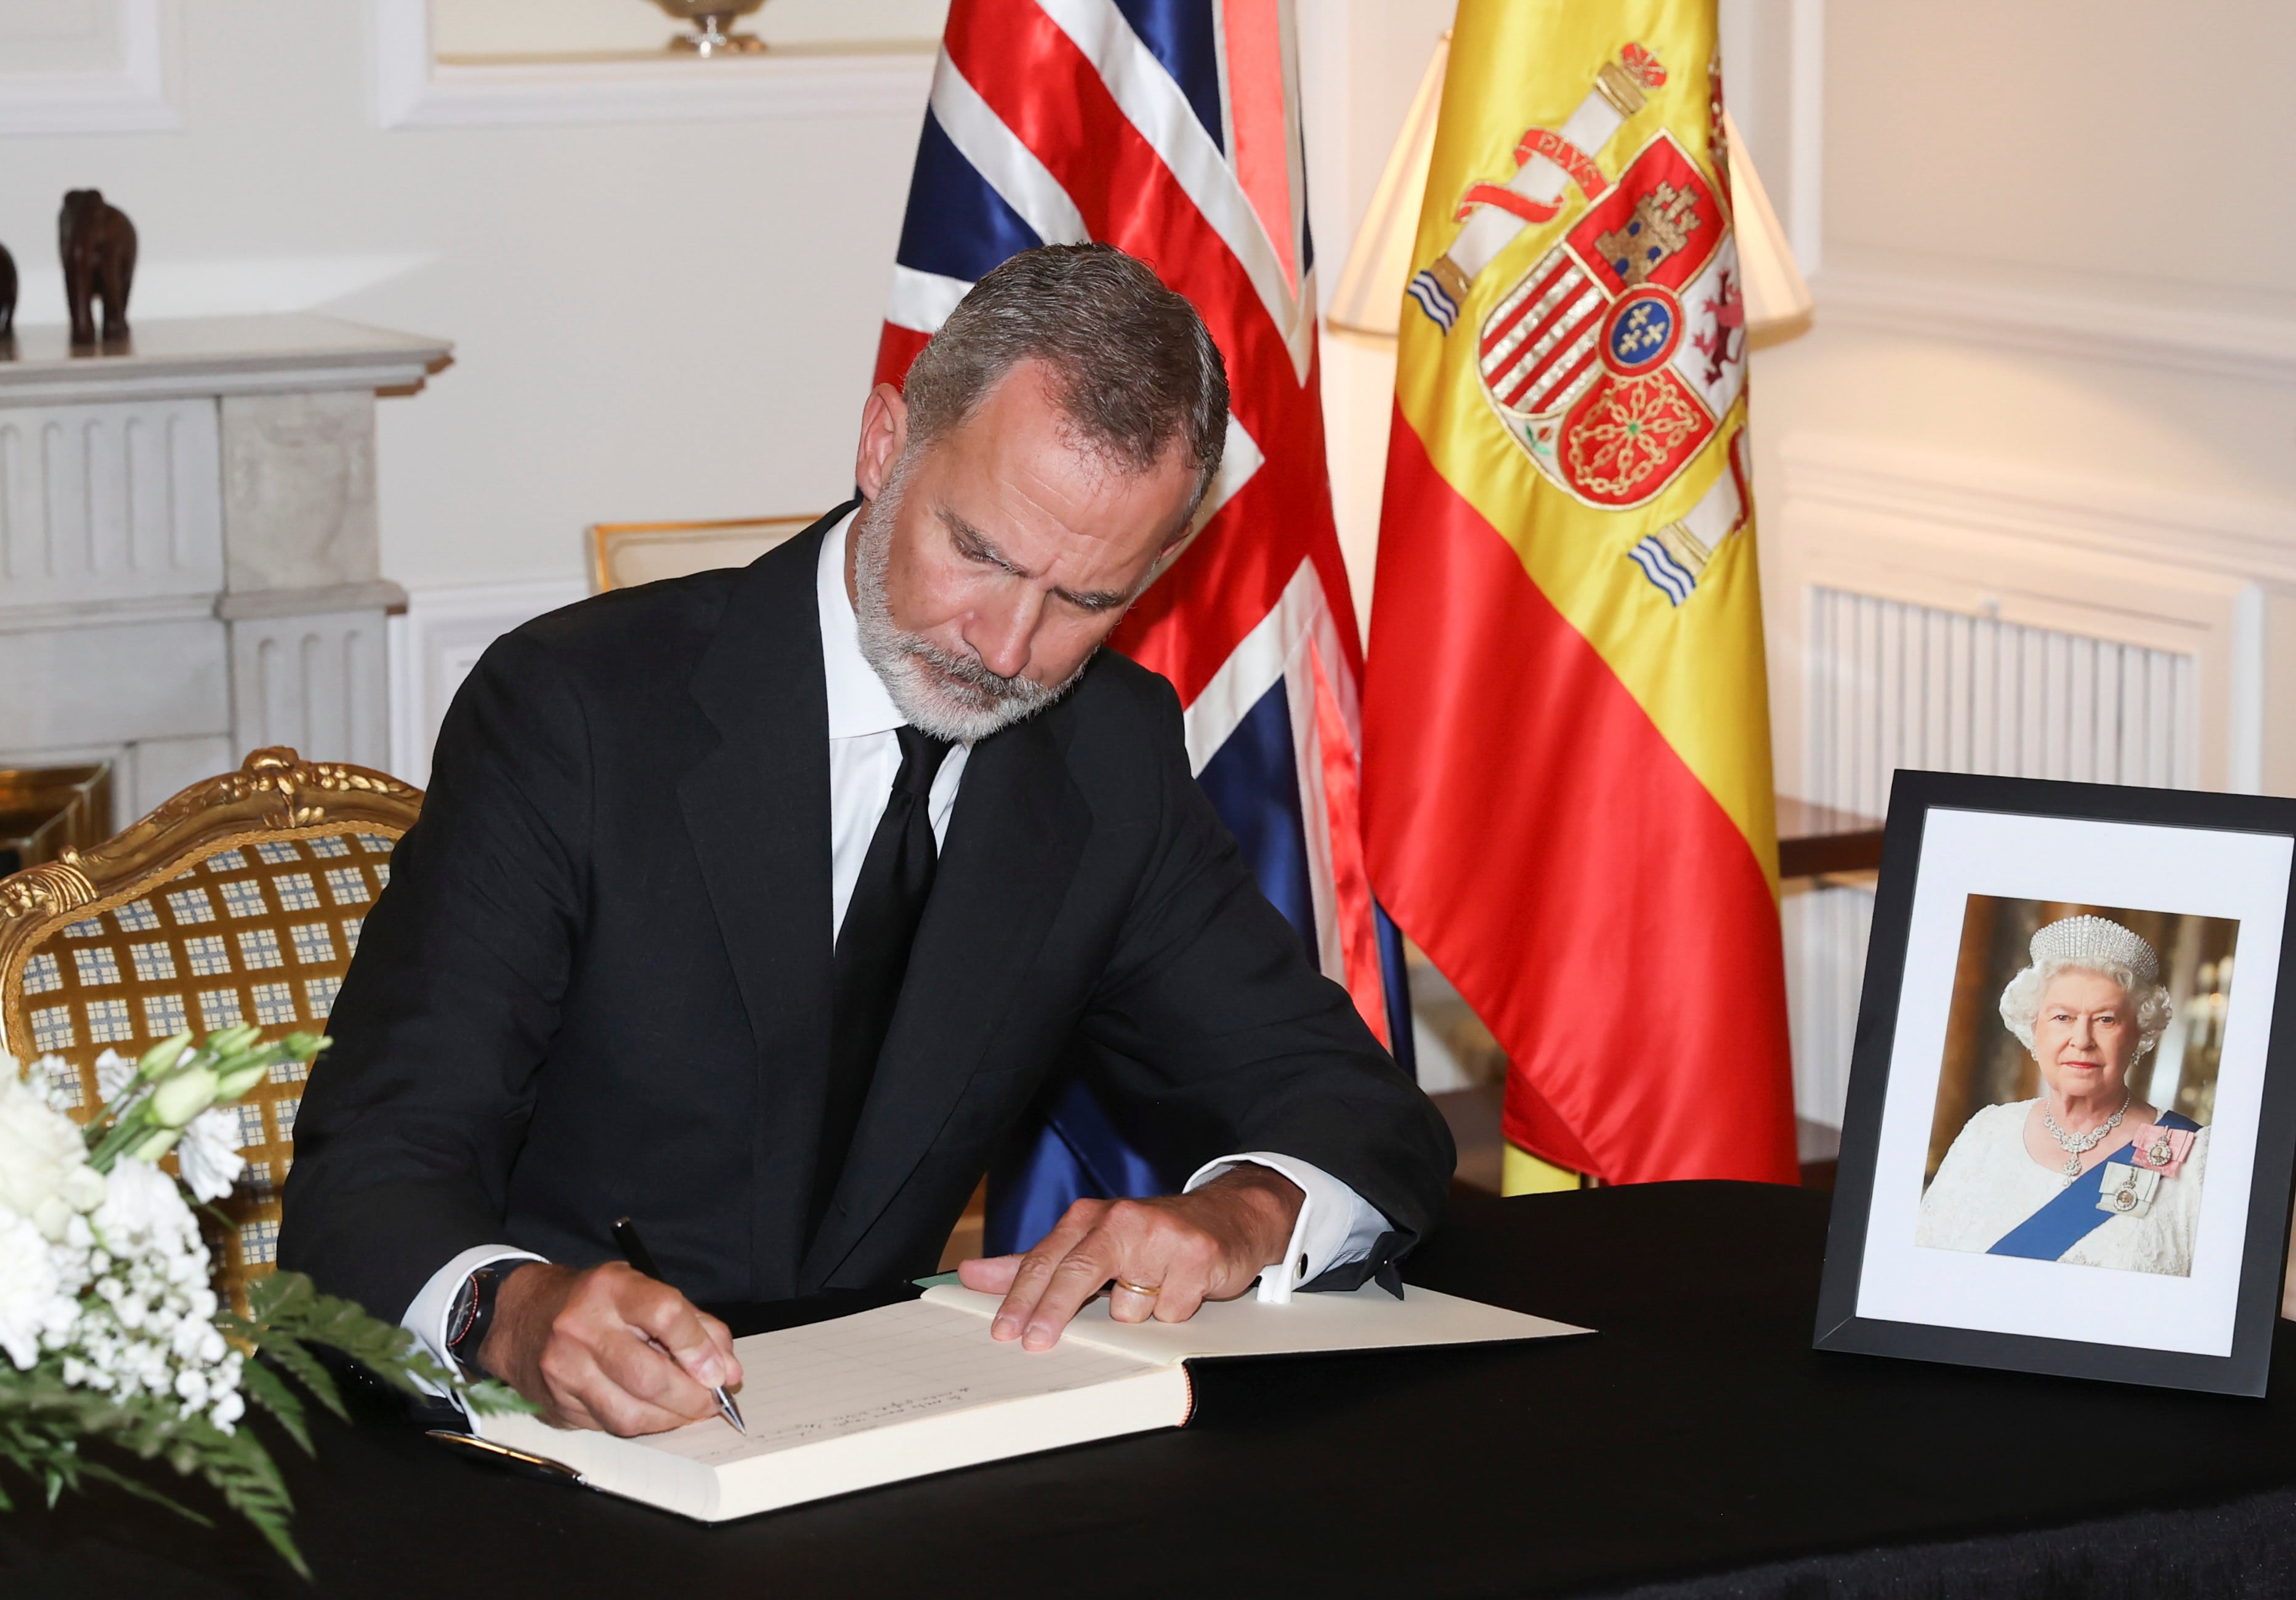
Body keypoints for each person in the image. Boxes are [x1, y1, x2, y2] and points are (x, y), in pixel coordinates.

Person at [280, 244, 1453, 1439]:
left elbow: (1350, 1106)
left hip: (897, 1443)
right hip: (556, 1450)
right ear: (884, 443)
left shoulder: (1106, 757)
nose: (1003, 647)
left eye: (1082, 602)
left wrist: (1238, 1218)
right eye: (980, 555)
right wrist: (513, 1315)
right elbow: (369, 1173)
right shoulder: (578, 712)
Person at [1916, 915, 2207, 1277]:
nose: (2082, 1040)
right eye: (2062, 1018)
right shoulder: (1987, 1132)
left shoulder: (2192, 1156)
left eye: (2105, 1020)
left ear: (2138, 1035)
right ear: (2034, 1030)